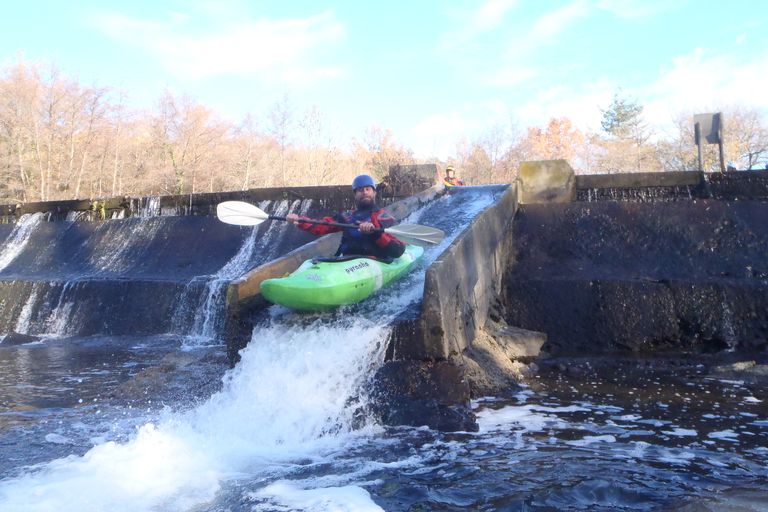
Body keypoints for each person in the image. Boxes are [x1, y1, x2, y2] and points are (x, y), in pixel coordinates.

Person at [286, 174, 406, 260]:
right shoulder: (347, 216)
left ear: (374, 192)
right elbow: (321, 226)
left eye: (367, 189)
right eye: (360, 190)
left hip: (375, 261)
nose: (364, 192)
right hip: (346, 261)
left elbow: (398, 250)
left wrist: (375, 232)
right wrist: (299, 220)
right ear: (355, 194)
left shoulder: (385, 218)